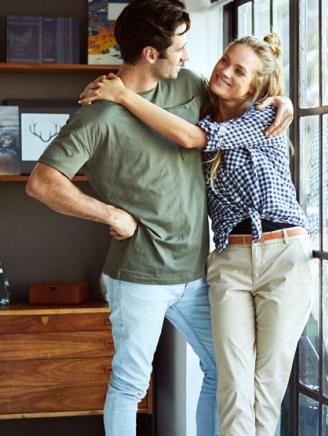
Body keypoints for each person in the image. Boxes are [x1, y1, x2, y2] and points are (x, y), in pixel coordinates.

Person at [25, 1, 293, 435]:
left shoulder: (187, 84)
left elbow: (237, 98)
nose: (188, 55)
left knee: (223, 372)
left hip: (198, 271)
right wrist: (110, 213)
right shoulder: (96, 115)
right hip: (138, 276)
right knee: (130, 384)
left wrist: (280, 99)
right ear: (152, 53)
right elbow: (42, 182)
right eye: (181, 46)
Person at [82, 33, 314, 436]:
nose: (224, 70)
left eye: (239, 71)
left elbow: (191, 139)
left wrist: (121, 96)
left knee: (266, 383)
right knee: (232, 382)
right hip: (229, 263)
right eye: (225, 60)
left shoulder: (262, 117)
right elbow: (167, 110)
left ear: (256, 87)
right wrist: (110, 93)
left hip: (283, 256)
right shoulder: (199, 112)